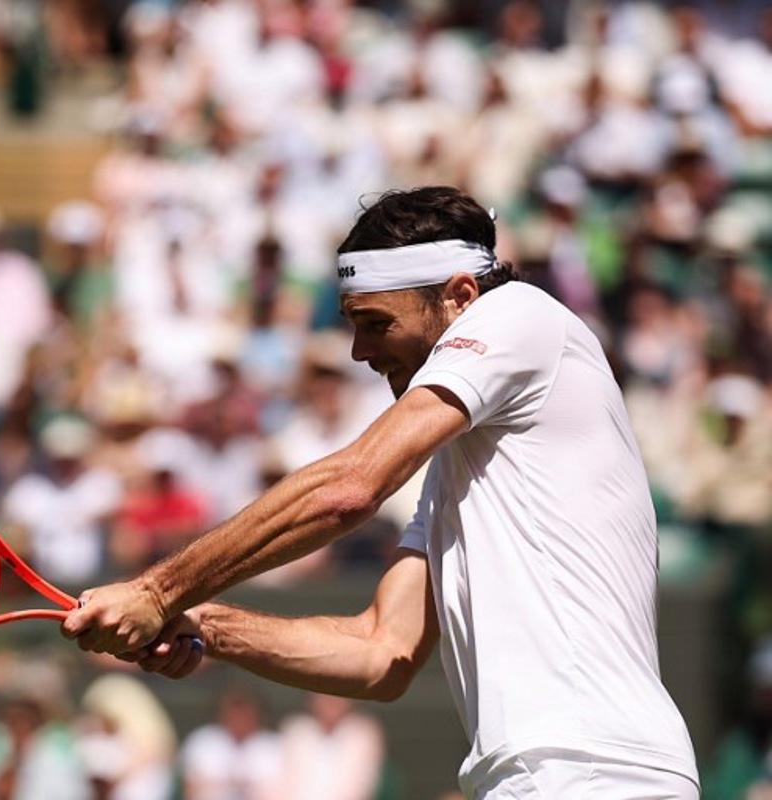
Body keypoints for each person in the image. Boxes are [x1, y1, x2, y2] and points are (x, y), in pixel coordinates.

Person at [63, 186, 701, 798]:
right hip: (562, 770)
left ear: (459, 296)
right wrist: (206, 626)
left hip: (584, 769)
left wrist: (157, 591)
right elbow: (382, 651)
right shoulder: (461, 464)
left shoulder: (520, 316)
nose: (359, 351)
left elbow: (350, 487)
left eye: (374, 322)